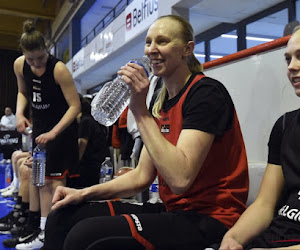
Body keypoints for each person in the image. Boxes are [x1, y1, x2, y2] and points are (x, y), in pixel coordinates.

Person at [43, 15, 248, 250]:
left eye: (162, 41)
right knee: (63, 217)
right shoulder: (162, 102)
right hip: (175, 211)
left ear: (187, 49)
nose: (151, 50)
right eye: (148, 42)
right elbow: (141, 176)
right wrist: (82, 193)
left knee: (85, 236)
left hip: (211, 217)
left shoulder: (206, 93)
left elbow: (180, 179)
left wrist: (140, 112)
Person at [219, 26, 300, 250]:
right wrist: (233, 238)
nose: (292, 67)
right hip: (273, 237)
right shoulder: (284, 126)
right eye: (288, 59)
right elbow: (265, 203)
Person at [8, 19, 80, 249]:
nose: (37, 63)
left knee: (55, 184)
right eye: (32, 59)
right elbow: (22, 92)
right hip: (40, 130)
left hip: (60, 131)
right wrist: (20, 113)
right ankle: (41, 231)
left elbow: (75, 107)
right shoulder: (19, 65)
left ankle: (52, 234)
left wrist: (54, 133)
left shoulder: (58, 69)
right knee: (39, 181)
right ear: (24, 55)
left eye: (41, 57)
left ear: (46, 50)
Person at [77, 95, 109, 187]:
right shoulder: (94, 120)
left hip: (88, 165)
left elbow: (82, 143)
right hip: (98, 163)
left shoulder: (85, 121)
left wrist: (76, 164)